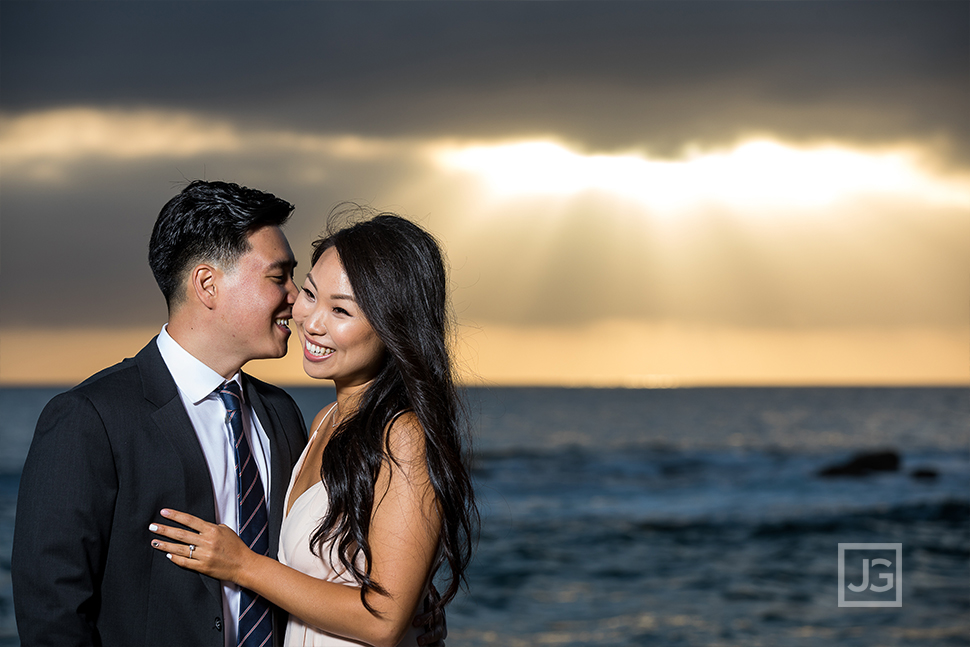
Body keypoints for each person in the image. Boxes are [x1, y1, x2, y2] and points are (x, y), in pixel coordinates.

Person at [12, 182, 444, 647]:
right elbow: (52, 613)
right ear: (207, 284)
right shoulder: (89, 418)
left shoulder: (281, 414)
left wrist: (409, 598)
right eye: (279, 278)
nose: (296, 301)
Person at [149, 211, 477, 646]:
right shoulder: (325, 420)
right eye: (309, 293)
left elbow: (382, 621)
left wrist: (241, 564)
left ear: (392, 326)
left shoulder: (403, 435)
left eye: (340, 310)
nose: (310, 321)